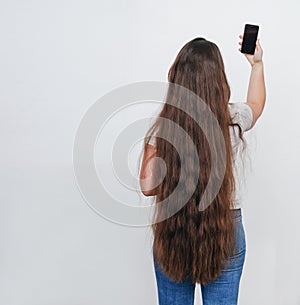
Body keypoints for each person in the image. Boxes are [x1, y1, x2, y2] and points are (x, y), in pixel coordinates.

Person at [139, 34, 266, 305]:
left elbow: (148, 186)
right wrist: (257, 65)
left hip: (174, 227)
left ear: (177, 80)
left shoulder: (164, 125)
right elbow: (256, 105)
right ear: (218, 81)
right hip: (225, 229)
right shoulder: (232, 119)